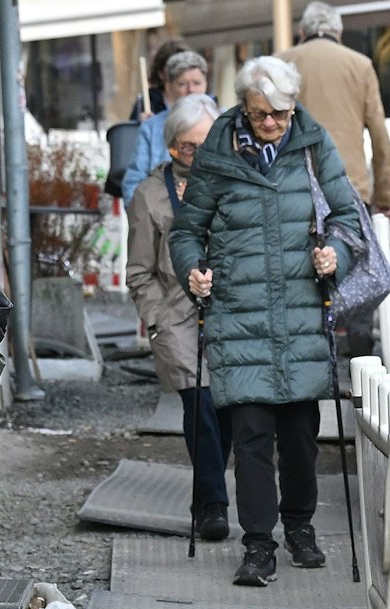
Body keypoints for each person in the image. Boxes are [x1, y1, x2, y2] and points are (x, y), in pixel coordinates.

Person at [170, 57, 363, 588]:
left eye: (280, 113)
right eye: (260, 114)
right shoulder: (218, 150)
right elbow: (186, 231)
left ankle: (300, 526)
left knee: (301, 434)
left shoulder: (313, 143)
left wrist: (335, 257)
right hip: (239, 312)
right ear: (245, 107)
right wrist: (193, 270)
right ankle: (258, 546)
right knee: (251, 433)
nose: (271, 123)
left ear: (294, 105)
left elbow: (348, 217)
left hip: (301, 311)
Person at [126, 94, 231, 542]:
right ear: (172, 147)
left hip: (227, 312)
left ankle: (205, 494)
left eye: (209, 144)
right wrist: (155, 318)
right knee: (199, 404)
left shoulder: (231, 182)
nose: (201, 155)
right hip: (174, 313)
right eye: (191, 147)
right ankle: (213, 507)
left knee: (226, 410)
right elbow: (138, 270)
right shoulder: (149, 195)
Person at [278, 2, 390, 217]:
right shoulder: (361, 65)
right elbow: (379, 133)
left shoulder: (281, 63)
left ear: (302, 32)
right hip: (350, 186)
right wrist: (384, 194)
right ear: (339, 32)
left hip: (294, 189)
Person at [120, 50, 209, 202]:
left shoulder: (224, 122)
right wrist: (147, 218)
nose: (191, 90)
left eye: (197, 83)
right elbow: (133, 184)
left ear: (206, 84)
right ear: (168, 87)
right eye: (182, 84)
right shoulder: (152, 128)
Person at [131, 36, 194, 121]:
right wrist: (140, 126)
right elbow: (130, 132)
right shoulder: (147, 102)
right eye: (174, 69)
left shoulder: (203, 102)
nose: (181, 75)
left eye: (185, 69)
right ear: (161, 74)